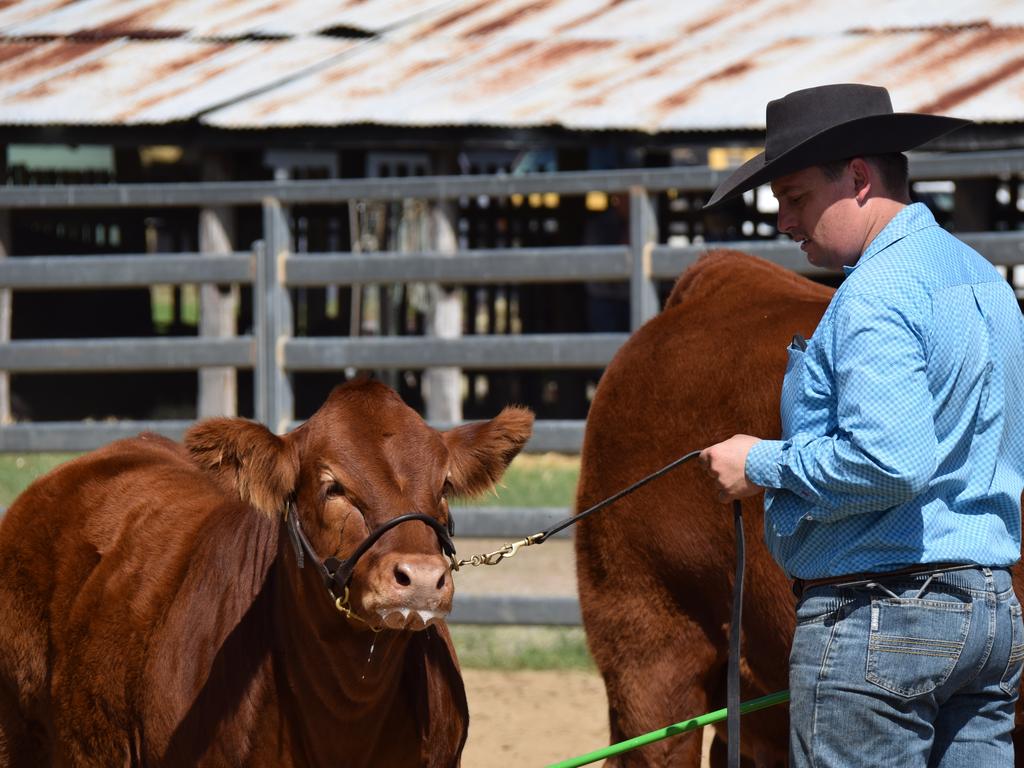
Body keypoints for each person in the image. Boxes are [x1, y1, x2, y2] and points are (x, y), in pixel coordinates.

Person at [700, 83, 1024, 766]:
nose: (784, 221)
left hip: (882, 610)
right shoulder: (984, 279)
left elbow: (892, 461)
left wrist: (762, 463)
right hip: (989, 608)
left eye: (794, 198)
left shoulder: (876, 293)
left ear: (856, 178)